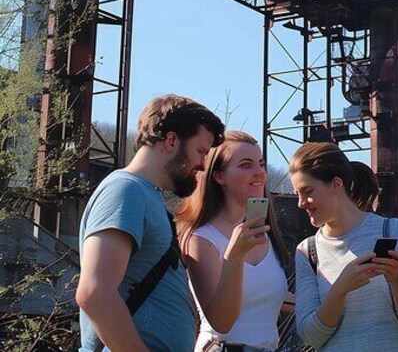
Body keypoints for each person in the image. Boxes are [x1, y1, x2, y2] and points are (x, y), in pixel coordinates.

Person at [76, 95, 225, 352]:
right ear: (171, 141)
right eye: (201, 151)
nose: (202, 165)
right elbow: (95, 293)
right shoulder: (125, 190)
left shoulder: (145, 196)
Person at [290, 142, 398, 351]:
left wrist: (397, 283)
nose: (300, 203)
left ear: (336, 184)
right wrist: (340, 289)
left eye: (307, 191)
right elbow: (310, 336)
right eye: (297, 193)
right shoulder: (307, 252)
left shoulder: (393, 231)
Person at [175, 130, 292, 352]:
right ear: (219, 176)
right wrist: (234, 256)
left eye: (261, 163)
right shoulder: (202, 239)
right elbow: (222, 321)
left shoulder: (266, 234)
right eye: (246, 165)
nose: (259, 172)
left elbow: (265, 295)